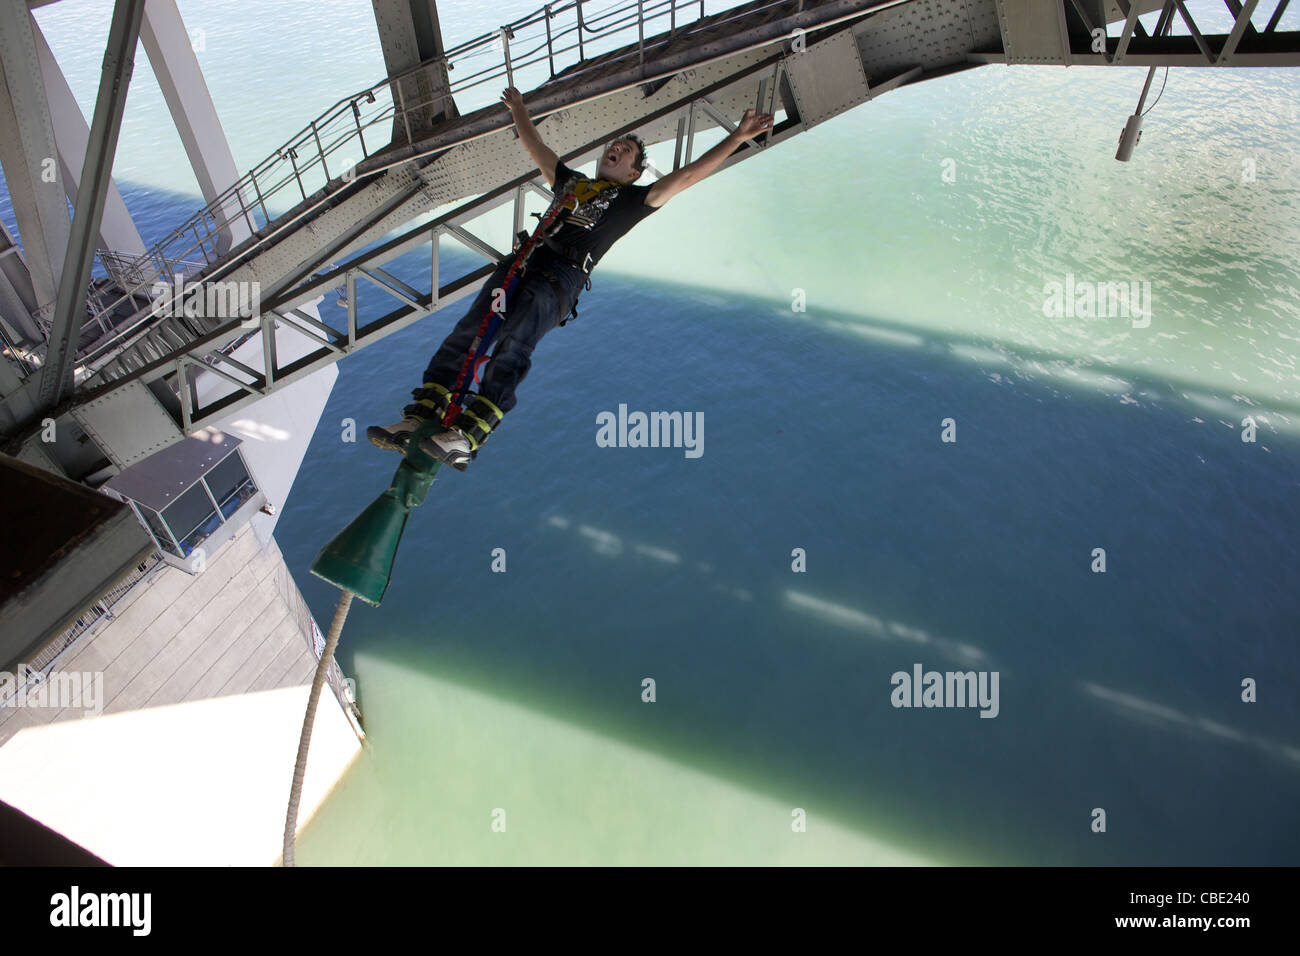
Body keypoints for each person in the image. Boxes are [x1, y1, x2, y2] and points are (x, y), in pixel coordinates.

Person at [368, 86, 774, 470]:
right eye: (615, 145)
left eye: (626, 151)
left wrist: (737, 136)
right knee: (468, 332)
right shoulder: (572, 184)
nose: (616, 149)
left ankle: (468, 435)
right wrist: (519, 111)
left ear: (634, 174)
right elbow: (538, 149)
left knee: (512, 347)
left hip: (557, 280)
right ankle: (420, 416)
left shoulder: (634, 201)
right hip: (521, 265)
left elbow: (686, 176)